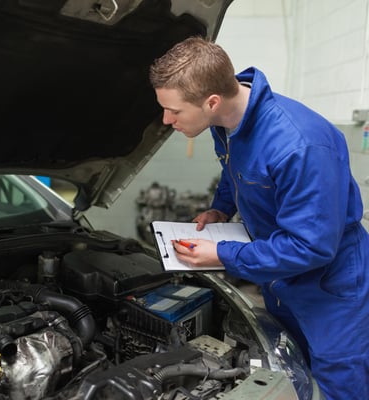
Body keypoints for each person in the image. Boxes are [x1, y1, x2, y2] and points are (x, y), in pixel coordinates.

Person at [149, 36, 369, 400]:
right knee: (289, 371)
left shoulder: (299, 146)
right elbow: (235, 170)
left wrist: (223, 255)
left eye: (174, 111)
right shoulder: (227, 122)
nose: (166, 119)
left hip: (330, 289)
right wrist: (221, 207)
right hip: (278, 276)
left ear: (212, 101)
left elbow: (309, 247)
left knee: (339, 385)